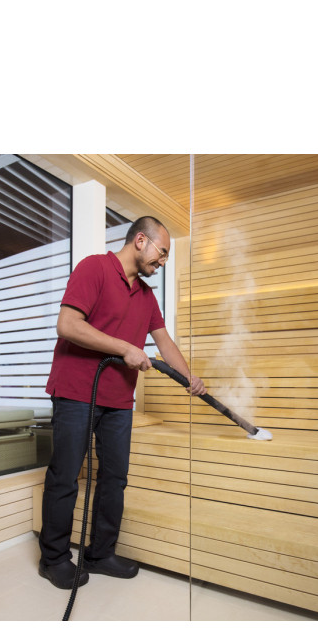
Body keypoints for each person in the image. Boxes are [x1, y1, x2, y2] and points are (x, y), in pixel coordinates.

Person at [38, 216, 206, 589]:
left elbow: (164, 341)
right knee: (65, 476)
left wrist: (189, 378)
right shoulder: (94, 268)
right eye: (162, 252)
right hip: (76, 392)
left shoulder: (145, 295)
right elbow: (68, 325)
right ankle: (53, 559)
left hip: (118, 400)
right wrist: (125, 348)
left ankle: (100, 554)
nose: (163, 262)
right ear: (141, 240)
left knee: (114, 478)